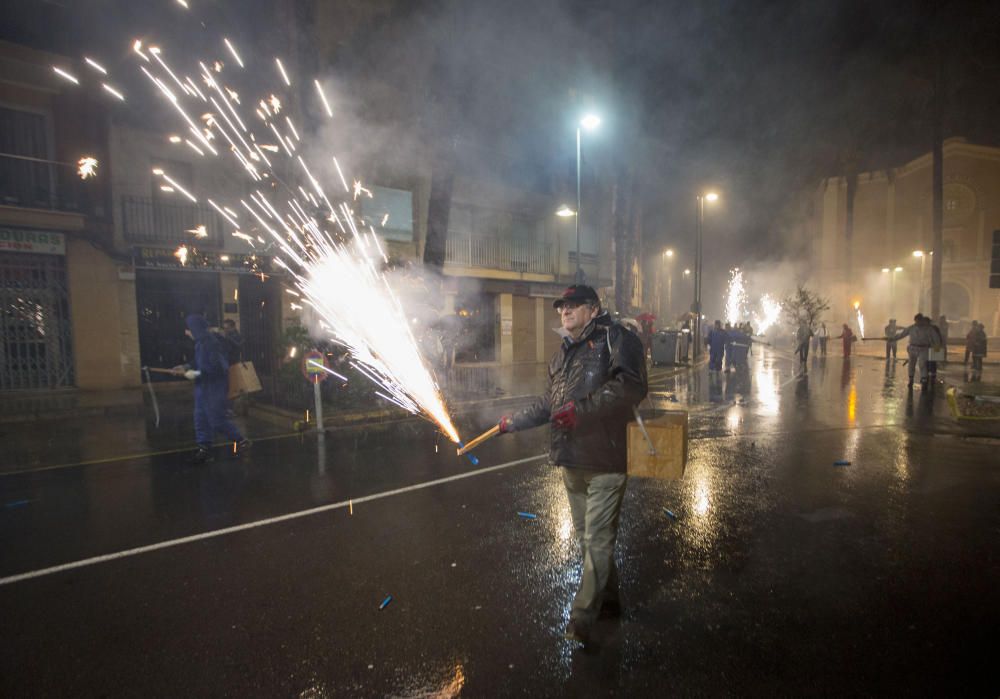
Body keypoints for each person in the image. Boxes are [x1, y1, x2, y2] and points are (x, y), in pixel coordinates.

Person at [494, 284, 647, 646]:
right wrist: (512, 421)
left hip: (606, 459)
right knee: (587, 539)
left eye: (574, 306)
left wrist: (580, 412)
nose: (565, 312)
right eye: (562, 307)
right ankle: (609, 602)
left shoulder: (617, 339)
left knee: (597, 538)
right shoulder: (562, 354)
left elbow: (631, 387)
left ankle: (581, 617)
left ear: (593, 309)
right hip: (571, 460)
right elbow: (550, 403)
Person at [174, 314, 250, 463]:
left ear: (196, 329)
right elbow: (197, 362)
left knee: (216, 419)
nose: (186, 333)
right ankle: (205, 449)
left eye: (188, 330)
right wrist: (185, 367)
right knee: (200, 418)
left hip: (215, 388)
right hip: (203, 387)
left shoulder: (212, 344)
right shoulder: (200, 344)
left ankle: (241, 441)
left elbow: (218, 369)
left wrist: (194, 373)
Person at [892, 313, 934, 389]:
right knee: (911, 364)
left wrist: (937, 350)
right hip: (912, 348)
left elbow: (935, 339)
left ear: (922, 320)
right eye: (917, 320)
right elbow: (902, 334)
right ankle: (911, 379)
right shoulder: (911, 328)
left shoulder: (928, 329)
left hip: (924, 349)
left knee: (922, 364)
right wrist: (893, 338)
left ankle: (924, 380)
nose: (918, 322)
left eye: (920, 320)